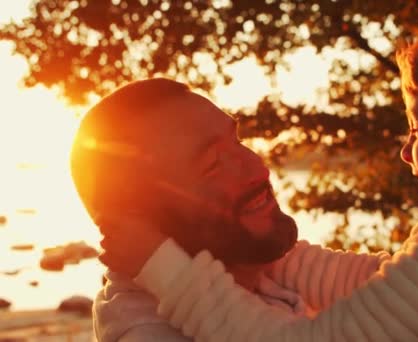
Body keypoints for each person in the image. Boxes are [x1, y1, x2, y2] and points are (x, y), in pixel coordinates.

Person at [97, 3, 418, 341]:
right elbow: (372, 282)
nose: (407, 154)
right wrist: (261, 249)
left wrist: (163, 265)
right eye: (213, 160)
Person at [71, 78, 386, 341]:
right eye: (212, 165)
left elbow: (410, 291)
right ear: (133, 224)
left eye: (236, 141)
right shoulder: (153, 334)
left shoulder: (258, 270)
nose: (256, 166)